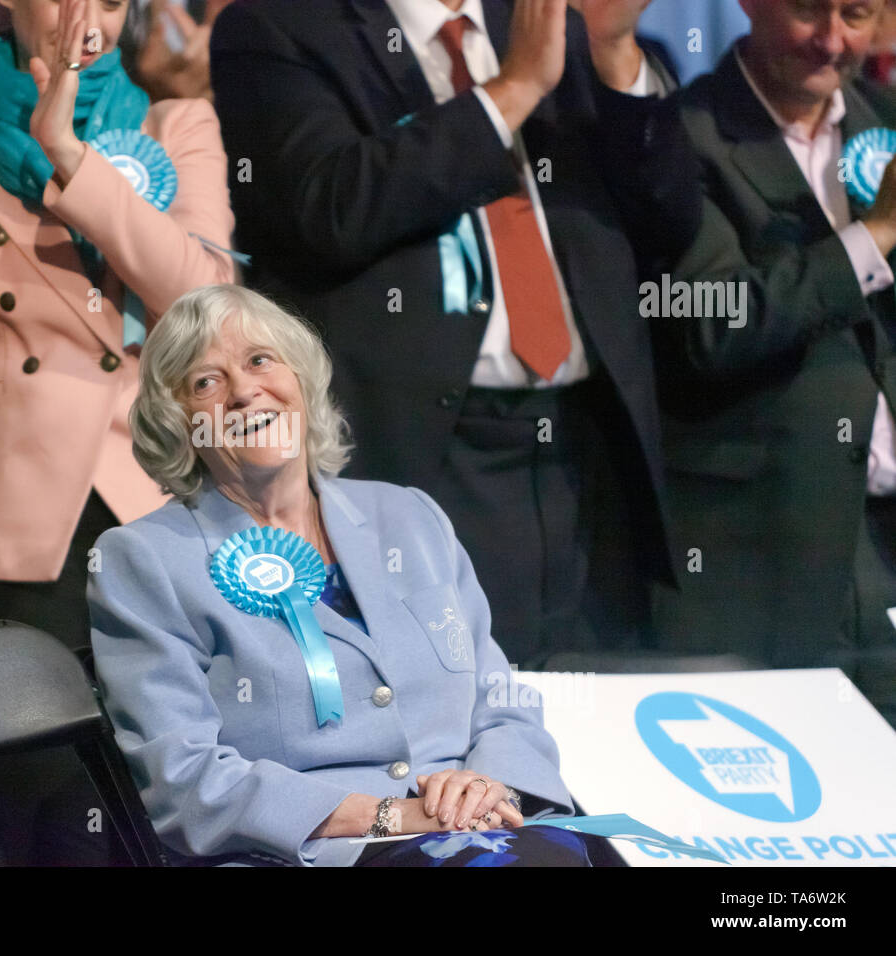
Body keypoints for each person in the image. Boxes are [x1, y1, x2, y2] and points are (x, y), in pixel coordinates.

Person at [210, 0, 701, 667]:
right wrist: (515, 89)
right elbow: (324, 209)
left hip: (589, 447)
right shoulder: (280, 26)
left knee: (598, 731)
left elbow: (667, 227)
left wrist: (614, 52)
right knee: (450, 723)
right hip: (428, 452)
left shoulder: (554, 20)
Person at [0, 0, 235, 862]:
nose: (85, 13)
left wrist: (68, 148)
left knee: (181, 818)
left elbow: (205, 304)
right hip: (20, 530)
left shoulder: (177, 123)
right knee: (58, 827)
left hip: (164, 504)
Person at [88, 284, 592, 867]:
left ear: (300, 378)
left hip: (483, 828)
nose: (245, 391)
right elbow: (182, 778)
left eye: (259, 360)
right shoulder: (143, 558)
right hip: (313, 852)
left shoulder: (410, 516)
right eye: (207, 382)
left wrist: (490, 783)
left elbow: (499, 697)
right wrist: (388, 816)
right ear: (178, 423)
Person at [651, 0, 896, 725]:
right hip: (762, 555)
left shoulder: (886, 119)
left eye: (855, 14)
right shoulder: (675, 133)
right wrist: (876, 235)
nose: (830, 41)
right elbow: (707, 324)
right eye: (806, 11)